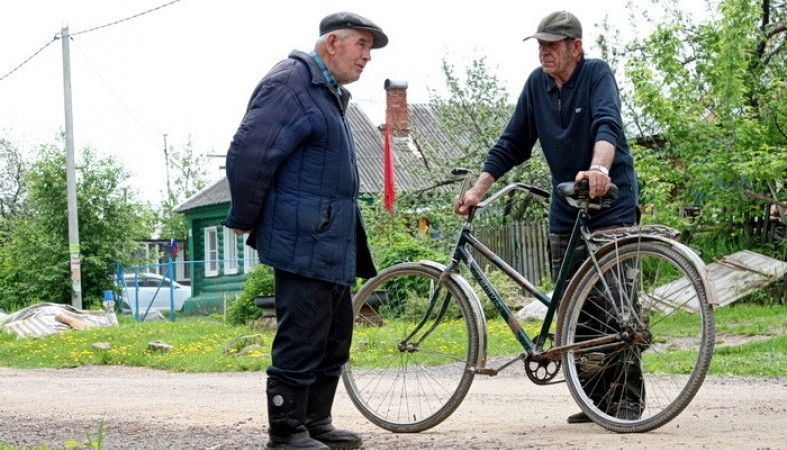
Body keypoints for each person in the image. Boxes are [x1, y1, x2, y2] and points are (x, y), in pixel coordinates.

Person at [454, 11, 643, 424]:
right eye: (540, 44)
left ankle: (627, 400)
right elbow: (511, 143)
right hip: (565, 209)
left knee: (616, 308)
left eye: (552, 44)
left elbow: (608, 125)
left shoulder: (596, 74)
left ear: (575, 46)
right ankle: (595, 401)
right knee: (576, 308)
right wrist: (476, 191)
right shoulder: (536, 86)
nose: (544, 51)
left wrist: (599, 169)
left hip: (610, 201)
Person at [223, 12, 386, 449]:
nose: (368, 57)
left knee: (333, 336)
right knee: (302, 336)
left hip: (331, 240)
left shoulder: (327, 91)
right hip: (302, 239)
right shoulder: (290, 83)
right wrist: (243, 217)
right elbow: (248, 153)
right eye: (362, 45)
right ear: (333, 42)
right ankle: (286, 432)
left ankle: (315, 423)